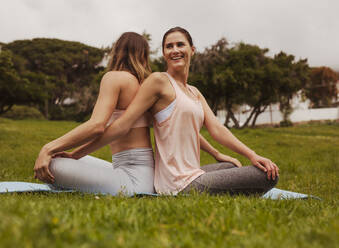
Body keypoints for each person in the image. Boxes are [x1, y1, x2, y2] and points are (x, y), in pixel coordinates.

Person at [63, 27, 279, 196]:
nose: (175, 50)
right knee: (266, 177)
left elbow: (215, 129)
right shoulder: (158, 81)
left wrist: (233, 154)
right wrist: (77, 154)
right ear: (164, 53)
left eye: (180, 44)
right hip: (177, 184)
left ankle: (221, 181)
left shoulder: (194, 92)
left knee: (229, 164)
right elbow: (122, 124)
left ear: (192, 50)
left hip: (193, 174)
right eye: (169, 46)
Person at [34, 31, 239, 196]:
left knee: (51, 163)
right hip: (140, 172)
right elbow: (186, 128)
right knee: (67, 159)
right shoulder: (148, 86)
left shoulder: (113, 78)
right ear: (144, 54)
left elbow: (97, 125)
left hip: (134, 180)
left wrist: (48, 148)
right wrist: (216, 153)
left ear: (117, 51)